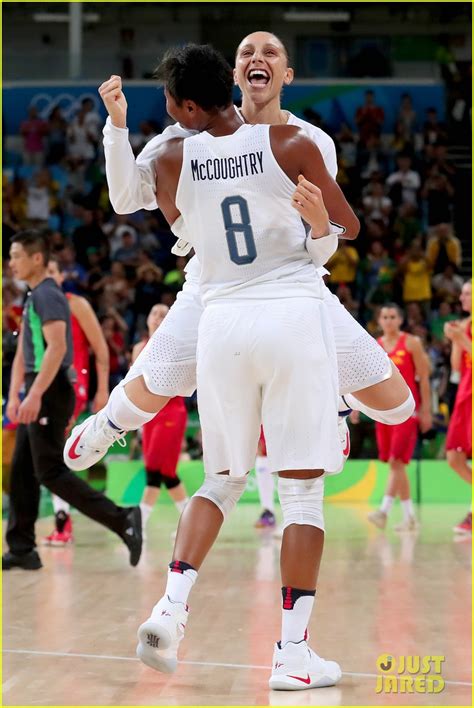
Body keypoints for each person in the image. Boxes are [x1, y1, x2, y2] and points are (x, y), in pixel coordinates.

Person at [64, 32, 414, 482]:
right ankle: (104, 425)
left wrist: (323, 225)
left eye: (270, 52)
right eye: (246, 52)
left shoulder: (309, 141)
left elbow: (336, 229)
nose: (257, 58)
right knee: (147, 390)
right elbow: (127, 197)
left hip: (293, 288)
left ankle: (337, 403)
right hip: (213, 288)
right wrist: (116, 127)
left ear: (286, 74)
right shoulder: (182, 141)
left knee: (397, 407)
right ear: (233, 76)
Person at [135, 42, 353, 691]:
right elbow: (347, 228)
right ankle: (292, 654)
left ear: (182, 104)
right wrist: (321, 226)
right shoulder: (292, 142)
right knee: (301, 493)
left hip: (220, 320)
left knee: (219, 480)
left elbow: (175, 228)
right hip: (287, 314)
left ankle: (169, 610)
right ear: (232, 80)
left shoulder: (175, 155)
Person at [2, 230, 142, 571]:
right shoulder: (36, 296)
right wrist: (15, 394)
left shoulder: (49, 296)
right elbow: (25, 349)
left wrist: (34, 393)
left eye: (17, 255)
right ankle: (21, 548)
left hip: (50, 389)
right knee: (22, 469)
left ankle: (122, 518)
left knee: (49, 470)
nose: (11, 262)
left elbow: (58, 348)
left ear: (38, 259)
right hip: (40, 386)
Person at [43, 256, 110, 546]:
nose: (47, 276)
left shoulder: (75, 304)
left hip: (73, 386)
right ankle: (65, 521)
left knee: (55, 456)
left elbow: (100, 348)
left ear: (60, 275)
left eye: (52, 270)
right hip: (47, 386)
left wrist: (103, 390)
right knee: (50, 457)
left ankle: (64, 522)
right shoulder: (36, 307)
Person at [367, 304, 432, 532]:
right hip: (383, 413)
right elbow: (368, 381)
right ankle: (410, 517)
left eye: (393, 316)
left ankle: (383, 511)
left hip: (408, 412)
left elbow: (424, 378)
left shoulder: (412, 343)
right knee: (397, 465)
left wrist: (426, 411)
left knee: (396, 461)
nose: (389, 320)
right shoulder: (375, 345)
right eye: (384, 317)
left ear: (400, 320)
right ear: (379, 321)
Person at [131, 304, 188, 538]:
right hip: (149, 415)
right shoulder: (138, 348)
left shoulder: (175, 345)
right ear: (147, 319)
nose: (157, 317)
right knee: (163, 472)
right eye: (154, 313)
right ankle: (189, 521)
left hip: (171, 413)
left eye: (163, 315)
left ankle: (139, 525)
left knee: (156, 468)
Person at [444, 281, 472, 534]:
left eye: (467, 293)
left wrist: (462, 339)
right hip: (465, 393)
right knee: (453, 456)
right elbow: (456, 368)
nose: (462, 297)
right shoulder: (464, 326)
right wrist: (455, 339)